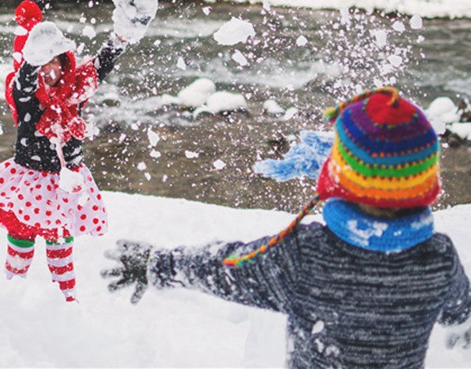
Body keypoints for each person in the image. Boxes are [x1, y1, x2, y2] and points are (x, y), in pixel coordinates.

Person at [103, 87, 471, 367]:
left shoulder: (306, 255)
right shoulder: (438, 259)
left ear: (339, 176)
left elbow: (226, 266)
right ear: (425, 183)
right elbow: (460, 310)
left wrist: (156, 264)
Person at [0, 0, 157, 302]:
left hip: (66, 179)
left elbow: (101, 65)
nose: (50, 69)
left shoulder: (75, 90)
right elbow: (24, 83)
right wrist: (31, 62)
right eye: (43, 63)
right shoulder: (25, 97)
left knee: (60, 240)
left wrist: (122, 36)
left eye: (55, 61)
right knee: (22, 235)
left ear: (65, 62)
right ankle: (11, 290)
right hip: (29, 179)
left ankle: (66, 299)